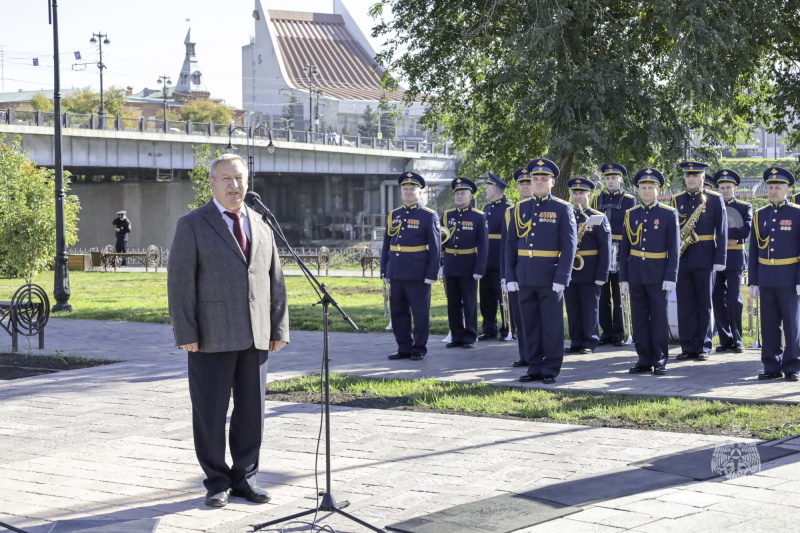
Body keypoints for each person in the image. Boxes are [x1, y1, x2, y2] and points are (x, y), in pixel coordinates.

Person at [167, 153, 290, 508]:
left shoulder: (262, 223)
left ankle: (245, 478)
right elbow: (179, 283)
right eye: (226, 179)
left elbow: (275, 279)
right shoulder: (192, 223)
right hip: (209, 336)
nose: (234, 185)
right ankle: (217, 480)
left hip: (256, 335)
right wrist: (185, 331)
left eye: (239, 178)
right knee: (210, 412)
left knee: (252, 412)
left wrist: (278, 326)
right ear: (212, 183)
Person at [505, 158, 577, 384]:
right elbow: (510, 246)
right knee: (529, 325)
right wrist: (510, 275)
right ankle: (533, 367)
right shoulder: (519, 209)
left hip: (550, 276)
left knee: (551, 325)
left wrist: (562, 276)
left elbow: (569, 246)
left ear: (552, 182)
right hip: (524, 275)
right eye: (534, 179)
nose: (538, 183)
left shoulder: (562, 208)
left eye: (543, 179)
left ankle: (550, 369)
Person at [621, 168, 680, 376]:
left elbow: (674, 248)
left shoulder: (667, 213)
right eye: (643, 188)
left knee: (658, 318)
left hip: (658, 274)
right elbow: (625, 249)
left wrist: (671, 276)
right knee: (639, 319)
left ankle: (660, 359)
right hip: (636, 273)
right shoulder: (631, 214)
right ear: (638, 190)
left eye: (650, 188)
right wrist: (624, 278)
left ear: (658, 190)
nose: (646, 191)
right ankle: (643, 359)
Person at [381, 172, 441, 361]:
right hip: (396, 271)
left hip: (418, 273)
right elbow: (386, 244)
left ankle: (418, 348)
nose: (408, 192)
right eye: (405, 189)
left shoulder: (428, 215)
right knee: (398, 311)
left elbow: (436, 246)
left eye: (412, 189)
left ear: (420, 192)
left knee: (420, 313)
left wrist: (433, 272)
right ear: (401, 192)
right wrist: (384, 269)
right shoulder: (394, 215)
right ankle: (403, 347)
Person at [671, 161, 727, 361]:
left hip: (705, 256)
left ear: (703, 177)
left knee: (704, 303)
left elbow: (721, 229)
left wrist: (720, 258)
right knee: (685, 303)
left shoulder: (714, 198)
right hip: (682, 257)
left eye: (695, 175)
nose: (691, 179)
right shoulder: (676, 200)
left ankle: (703, 345)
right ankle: (687, 346)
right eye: (688, 176)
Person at [748, 167, 800, 382]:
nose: (773, 191)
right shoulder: (760, 215)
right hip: (767, 276)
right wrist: (753, 280)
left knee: (792, 324)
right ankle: (771, 365)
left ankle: (792, 366)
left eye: (778, 187)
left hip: (789, 277)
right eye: (770, 187)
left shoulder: (797, 213)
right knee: (769, 324)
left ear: (787, 190)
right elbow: (753, 250)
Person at [565, 178, 611, 354]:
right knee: (573, 306)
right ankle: (575, 341)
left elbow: (605, 248)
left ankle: (589, 341)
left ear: (589, 196)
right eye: (574, 194)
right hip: (570, 269)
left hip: (591, 269)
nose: (577, 197)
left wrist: (602, 274)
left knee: (590, 306)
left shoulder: (597, 217)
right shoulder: (566, 215)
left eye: (581, 194)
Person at [592, 163, 636, 347]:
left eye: (613, 178)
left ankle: (619, 331)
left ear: (620, 179)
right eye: (607, 178)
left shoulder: (629, 199)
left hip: (620, 248)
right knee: (602, 295)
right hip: (601, 250)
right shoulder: (596, 199)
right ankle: (605, 331)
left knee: (619, 295)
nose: (610, 181)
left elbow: (631, 227)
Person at [441, 177, 489, 348]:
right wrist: (441, 263)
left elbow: (483, 245)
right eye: (457, 193)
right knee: (452, 303)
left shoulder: (479, 216)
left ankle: (469, 336)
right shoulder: (447, 215)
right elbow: (441, 240)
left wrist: (479, 268)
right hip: (451, 264)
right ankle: (456, 336)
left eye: (463, 194)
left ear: (471, 197)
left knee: (469, 303)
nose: (460, 196)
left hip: (469, 265)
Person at [711, 169, 752, 354]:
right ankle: (725, 339)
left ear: (734, 188)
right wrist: (726, 236)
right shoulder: (711, 206)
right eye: (721, 188)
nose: (725, 191)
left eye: (728, 187)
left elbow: (745, 230)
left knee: (734, 298)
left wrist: (724, 235)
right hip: (714, 257)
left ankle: (738, 339)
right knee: (717, 299)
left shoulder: (744, 207)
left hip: (735, 257)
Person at [478, 172, 513, 341]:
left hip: (500, 259)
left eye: (487, 188)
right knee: (486, 297)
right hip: (486, 259)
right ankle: (489, 328)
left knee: (503, 298)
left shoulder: (509, 208)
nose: (485, 190)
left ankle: (507, 328)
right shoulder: (486, 208)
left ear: (494, 189)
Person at [507, 168, 534, 369]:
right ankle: (524, 354)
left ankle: (538, 355)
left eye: (528, 183)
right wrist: (505, 274)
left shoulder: (546, 207)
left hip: (540, 270)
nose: (525, 187)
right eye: (521, 184)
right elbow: (506, 248)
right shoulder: (511, 211)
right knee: (520, 315)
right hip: (518, 270)